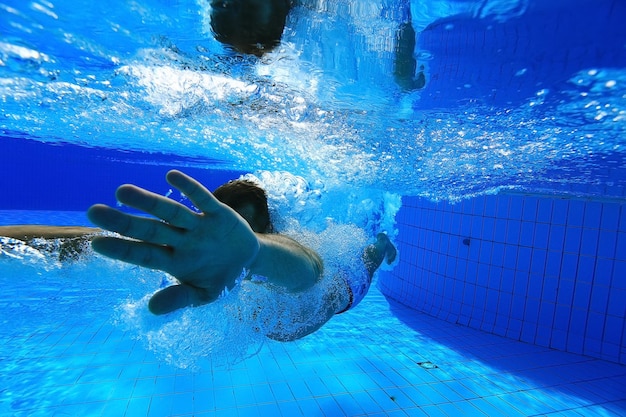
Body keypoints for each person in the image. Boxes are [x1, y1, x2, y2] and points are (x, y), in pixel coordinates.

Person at [0, 170, 396, 341]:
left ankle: (383, 242)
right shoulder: (194, 260)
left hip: (347, 284)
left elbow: (308, 270)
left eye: (246, 233)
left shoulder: (295, 263)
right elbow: (85, 237)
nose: (218, 248)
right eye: (216, 232)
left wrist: (253, 252)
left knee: (370, 256)